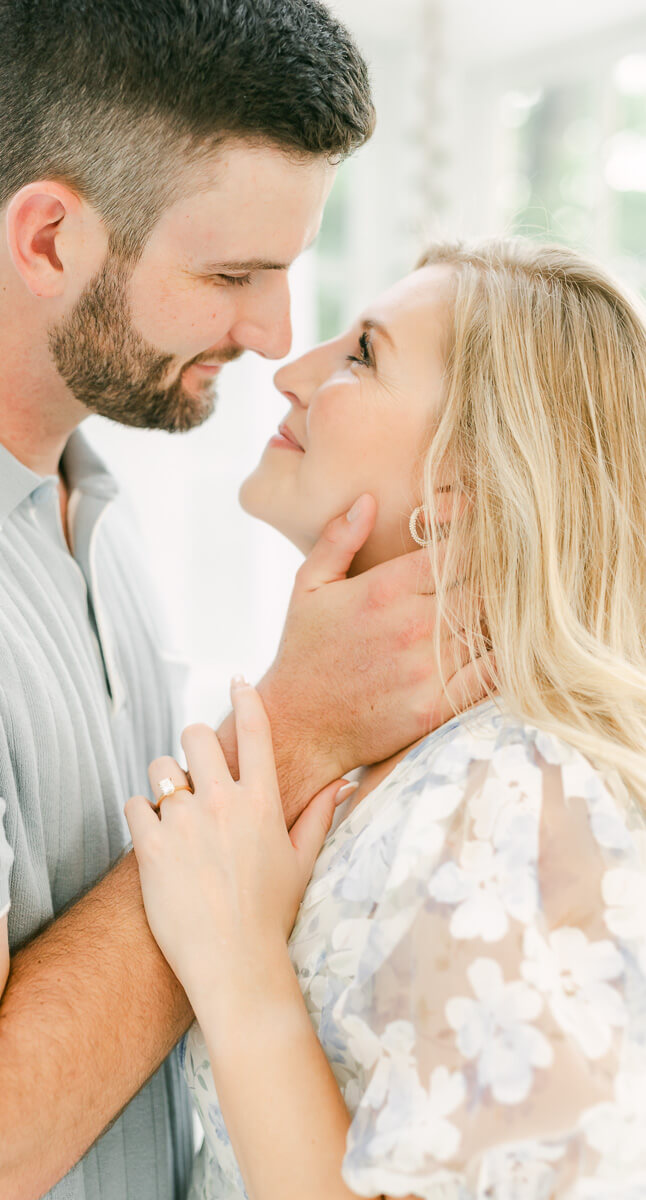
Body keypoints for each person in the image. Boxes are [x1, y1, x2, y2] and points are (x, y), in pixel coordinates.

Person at [0, 3, 495, 1199]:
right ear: (48, 237)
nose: (273, 334)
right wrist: (299, 731)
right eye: (232, 275)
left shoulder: (93, 508)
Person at [127, 238, 646, 1200]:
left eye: (363, 354)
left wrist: (240, 969)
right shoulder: (427, 769)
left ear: (467, 490)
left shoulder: (517, 796)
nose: (289, 372)